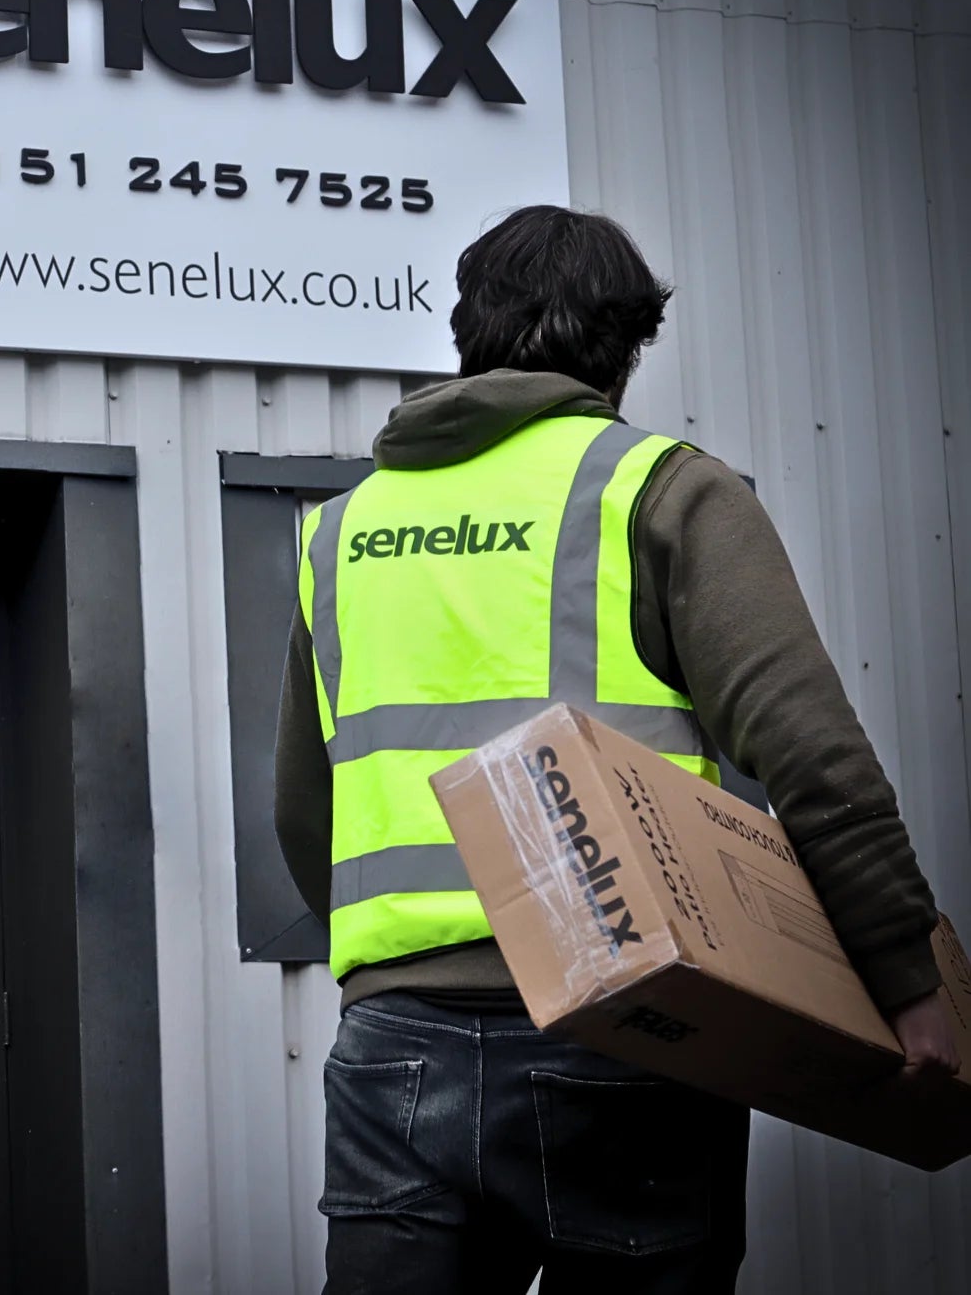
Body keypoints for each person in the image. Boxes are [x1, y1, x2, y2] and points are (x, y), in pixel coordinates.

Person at [274, 205, 959, 1294]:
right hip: (627, 1027)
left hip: (394, 1042)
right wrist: (904, 974)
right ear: (626, 348)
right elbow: (813, 755)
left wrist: (399, 963)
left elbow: (305, 816)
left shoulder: (340, 530)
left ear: (467, 330)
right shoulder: (658, 488)